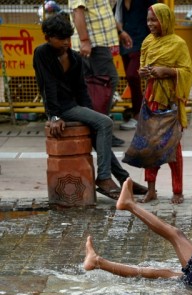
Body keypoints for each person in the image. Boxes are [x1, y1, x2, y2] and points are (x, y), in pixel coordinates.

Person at [33, 14, 147, 200]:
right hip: (61, 108)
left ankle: (125, 180)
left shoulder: (75, 58)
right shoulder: (42, 53)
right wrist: (53, 116)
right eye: (60, 39)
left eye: (67, 38)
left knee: (98, 129)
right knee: (105, 123)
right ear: (48, 37)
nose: (65, 43)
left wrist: (90, 114)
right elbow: (48, 85)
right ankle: (103, 178)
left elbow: (82, 90)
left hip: (75, 106)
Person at [133, 3, 192, 204]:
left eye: (154, 20)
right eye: (148, 19)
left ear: (165, 20)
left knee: (172, 146)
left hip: (169, 101)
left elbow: (187, 72)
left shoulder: (178, 44)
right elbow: (143, 67)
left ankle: (178, 191)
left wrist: (167, 72)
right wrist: (143, 72)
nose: (150, 24)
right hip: (151, 99)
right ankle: (151, 190)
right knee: (150, 146)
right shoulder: (147, 42)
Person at [69, 0, 125, 147]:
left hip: (98, 43)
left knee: (95, 88)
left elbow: (102, 11)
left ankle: (97, 129)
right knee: (106, 84)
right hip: (93, 45)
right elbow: (78, 12)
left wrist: (120, 32)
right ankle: (100, 129)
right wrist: (85, 41)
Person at [113, 0, 157, 131]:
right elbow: (115, 17)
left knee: (133, 75)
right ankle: (138, 112)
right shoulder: (119, 2)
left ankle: (139, 115)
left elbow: (155, 17)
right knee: (130, 78)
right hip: (125, 43)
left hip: (142, 42)